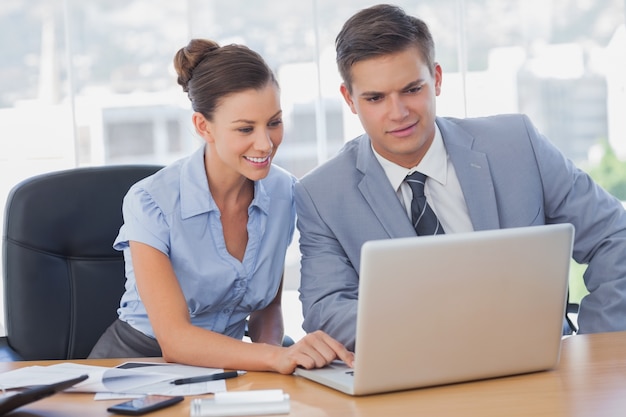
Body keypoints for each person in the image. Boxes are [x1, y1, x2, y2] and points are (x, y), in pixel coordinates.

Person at [295, 4, 626, 351]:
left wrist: (595, 348)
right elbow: (326, 310)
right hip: (413, 381)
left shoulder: (517, 144)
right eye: (375, 98)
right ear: (349, 100)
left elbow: (614, 237)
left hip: (537, 367)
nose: (398, 113)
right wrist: (444, 336)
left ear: (436, 79)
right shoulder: (321, 196)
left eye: (411, 89)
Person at [89, 38, 353, 374]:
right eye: (245, 128)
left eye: (274, 122)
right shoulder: (151, 201)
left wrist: (273, 357)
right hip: (139, 364)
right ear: (203, 126)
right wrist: (275, 358)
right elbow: (175, 340)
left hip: (231, 365)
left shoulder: (284, 191)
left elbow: (267, 306)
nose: (266, 142)